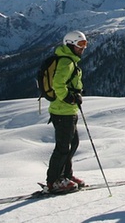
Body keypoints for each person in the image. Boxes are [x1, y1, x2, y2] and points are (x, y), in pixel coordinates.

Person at [45, 30, 87, 193]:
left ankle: (66, 176)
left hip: (68, 110)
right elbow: (58, 85)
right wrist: (70, 97)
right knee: (63, 147)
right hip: (62, 111)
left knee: (72, 144)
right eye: (80, 44)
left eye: (85, 44)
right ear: (70, 44)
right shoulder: (65, 62)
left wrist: (75, 94)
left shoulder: (70, 60)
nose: (83, 48)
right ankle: (53, 181)